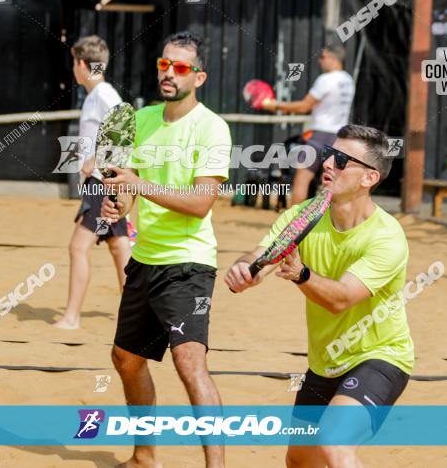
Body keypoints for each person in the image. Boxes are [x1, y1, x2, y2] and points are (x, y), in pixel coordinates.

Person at [226, 124, 412, 468]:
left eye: (341, 159)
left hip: (379, 356)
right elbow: (262, 255)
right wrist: (243, 269)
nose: (328, 163)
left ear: (369, 178)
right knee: (299, 459)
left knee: (333, 442)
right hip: (325, 362)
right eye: (328, 154)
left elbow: (341, 298)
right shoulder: (305, 216)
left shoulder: (387, 237)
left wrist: (301, 274)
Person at [101, 32, 231, 468]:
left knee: (189, 363)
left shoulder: (212, 127)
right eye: (164, 64)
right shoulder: (142, 119)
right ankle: (144, 456)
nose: (169, 74)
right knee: (126, 360)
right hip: (146, 259)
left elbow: (199, 204)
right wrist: (118, 200)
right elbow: (130, 188)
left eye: (180, 68)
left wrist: (138, 185)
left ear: (200, 76)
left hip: (189, 263)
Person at [53, 35, 131, 330]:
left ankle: (72, 317)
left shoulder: (103, 95)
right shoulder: (96, 95)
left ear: (83, 65)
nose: (74, 68)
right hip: (104, 183)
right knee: (119, 247)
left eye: (75, 62)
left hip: (103, 183)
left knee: (78, 247)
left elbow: (124, 128)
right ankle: (135, 314)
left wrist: (95, 161)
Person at [263, 41, 355, 205]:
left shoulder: (326, 79)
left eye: (322, 57)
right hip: (339, 138)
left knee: (302, 180)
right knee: (331, 183)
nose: (320, 61)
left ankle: (293, 222)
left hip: (319, 136)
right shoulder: (348, 80)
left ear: (330, 57)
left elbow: (304, 106)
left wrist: (273, 104)